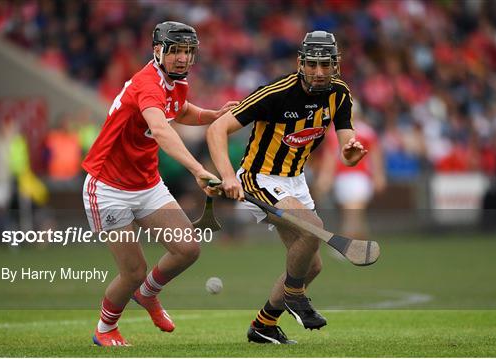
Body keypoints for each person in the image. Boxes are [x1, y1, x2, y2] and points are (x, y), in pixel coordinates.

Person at [82, 21, 237, 347]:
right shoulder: (148, 84)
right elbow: (163, 130)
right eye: (175, 51)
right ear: (157, 51)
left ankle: (147, 294)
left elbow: (179, 111)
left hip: (145, 183)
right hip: (108, 187)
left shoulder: (175, 82)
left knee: (187, 249)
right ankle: (105, 329)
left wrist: (212, 114)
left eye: (187, 52)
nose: (182, 58)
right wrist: (198, 169)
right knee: (133, 270)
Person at [207, 31, 367, 344]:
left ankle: (263, 326)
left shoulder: (340, 93)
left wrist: (350, 152)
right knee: (313, 229)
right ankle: (294, 296)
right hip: (259, 177)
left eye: (326, 65)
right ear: (300, 63)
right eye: (312, 64)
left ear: (336, 64)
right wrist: (227, 176)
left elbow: (347, 139)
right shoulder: (276, 93)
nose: (319, 72)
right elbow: (217, 128)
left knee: (312, 265)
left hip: (296, 180)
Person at [315, 106, 386, 241]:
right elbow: (330, 158)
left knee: (352, 212)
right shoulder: (339, 133)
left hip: (358, 177)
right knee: (355, 214)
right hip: (345, 177)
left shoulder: (364, 132)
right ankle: (361, 246)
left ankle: (346, 244)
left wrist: (378, 176)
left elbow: (375, 156)